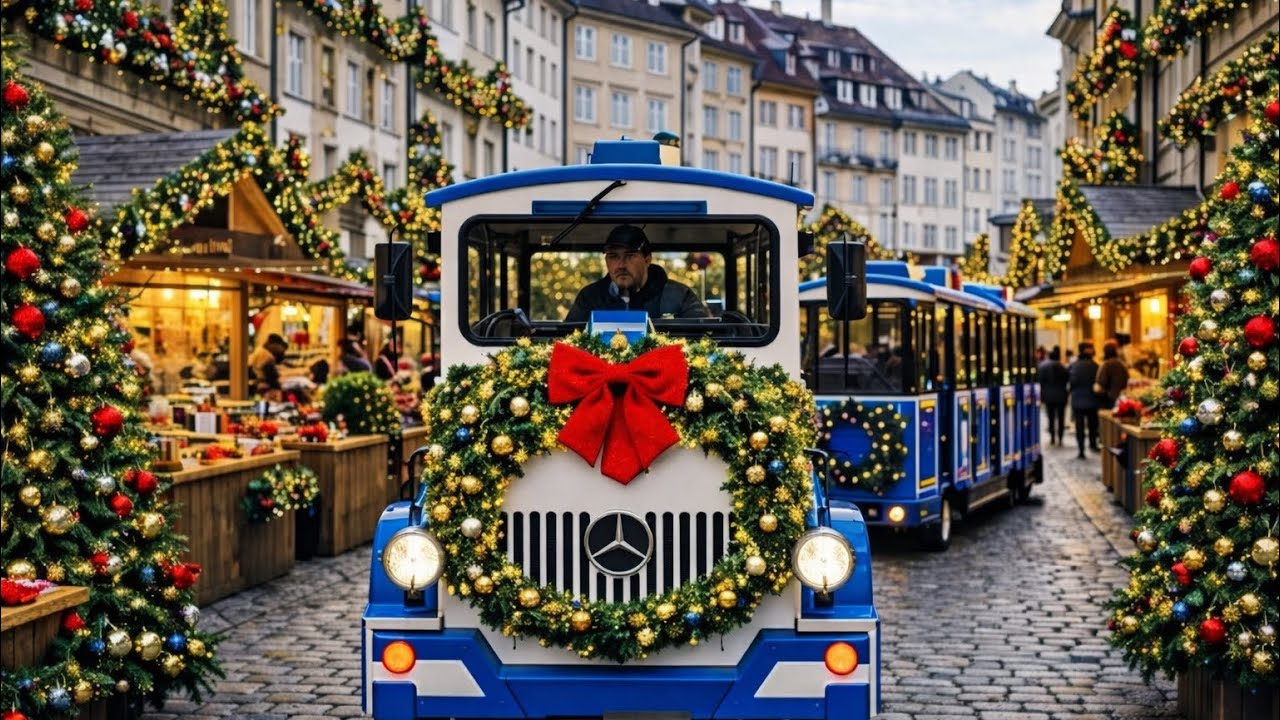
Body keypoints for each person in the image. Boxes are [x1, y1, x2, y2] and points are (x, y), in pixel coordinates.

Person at [565, 224, 711, 322]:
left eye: (630, 256)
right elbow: (566, 344)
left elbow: (704, 343)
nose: (621, 265)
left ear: (647, 259)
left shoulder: (679, 296)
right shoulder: (590, 297)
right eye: (613, 256)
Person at [1068, 345, 1101, 459]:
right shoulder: (1095, 366)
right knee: (1092, 424)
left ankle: (1081, 450)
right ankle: (1092, 444)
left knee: (1079, 426)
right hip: (1092, 400)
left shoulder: (1074, 365)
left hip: (1077, 400)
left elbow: (1071, 382)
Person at [1037, 347, 1069, 446]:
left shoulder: (1042, 367)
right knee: (1061, 417)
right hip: (1061, 396)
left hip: (1048, 396)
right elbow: (1067, 380)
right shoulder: (1063, 367)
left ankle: (1052, 438)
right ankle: (1060, 437)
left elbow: (1040, 381)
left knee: (1050, 417)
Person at [248, 333, 289, 399]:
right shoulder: (267, 356)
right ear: (274, 344)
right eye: (280, 346)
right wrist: (280, 389)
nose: (280, 350)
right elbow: (272, 377)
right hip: (264, 388)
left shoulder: (259, 350)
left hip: (258, 386)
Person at [1095, 341, 1130, 408]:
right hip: (1121, 396)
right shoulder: (1121, 363)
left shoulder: (1106, 364)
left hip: (1109, 398)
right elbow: (1127, 378)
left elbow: (1101, 381)